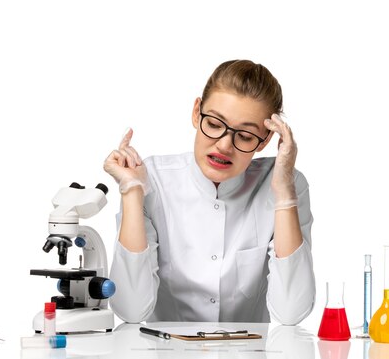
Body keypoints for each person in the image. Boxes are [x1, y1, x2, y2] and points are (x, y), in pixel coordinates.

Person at [103, 59, 315, 325]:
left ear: (266, 140)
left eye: (246, 136)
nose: (225, 145)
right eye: (214, 124)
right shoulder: (150, 180)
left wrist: (284, 193)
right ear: (196, 113)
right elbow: (130, 310)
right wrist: (132, 192)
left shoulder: (285, 183)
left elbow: (291, 313)